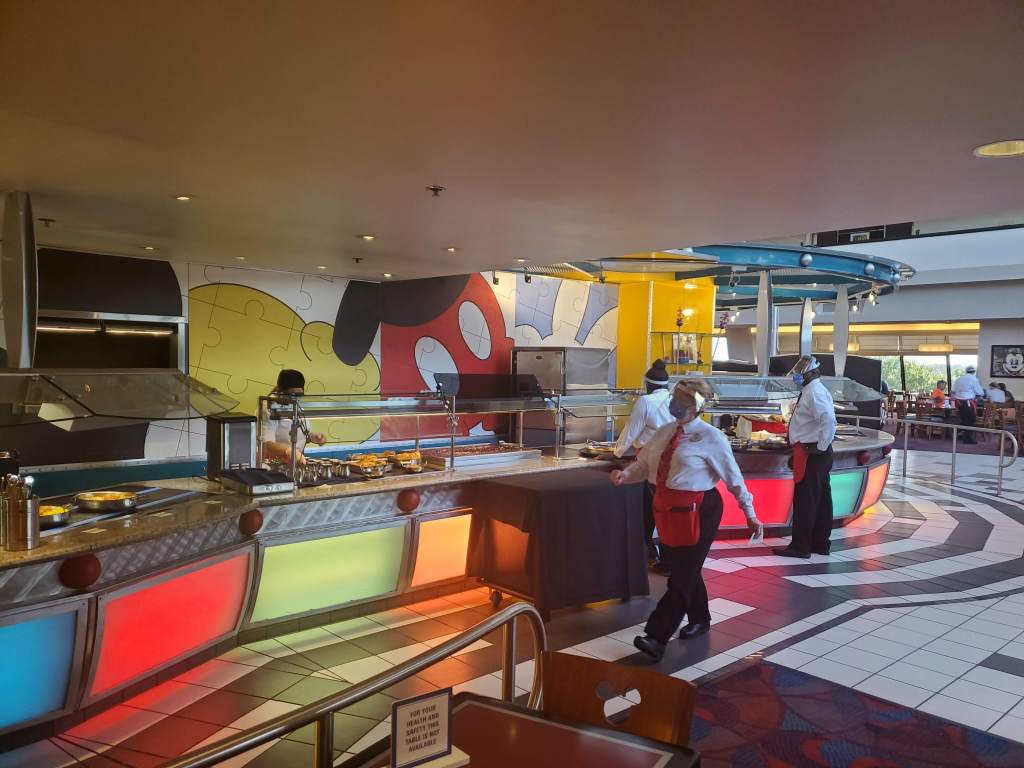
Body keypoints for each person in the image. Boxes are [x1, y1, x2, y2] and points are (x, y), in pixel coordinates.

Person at [610, 380, 762, 662]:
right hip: (668, 508)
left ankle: (656, 637)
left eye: (681, 399)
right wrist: (626, 475)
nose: (674, 403)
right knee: (685, 569)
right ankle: (701, 618)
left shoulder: (711, 437)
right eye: (674, 397)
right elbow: (645, 464)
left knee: (680, 577)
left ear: (696, 406)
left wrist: (749, 513)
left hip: (700, 509)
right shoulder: (666, 431)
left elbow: (733, 478)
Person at [773, 355, 837, 559]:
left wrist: (821, 445)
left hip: (812, 452)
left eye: (801, 374)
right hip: (813, 451)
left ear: (813, 373)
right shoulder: (811, 390)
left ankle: (800, 547)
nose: (798, 377)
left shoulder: (814, 392)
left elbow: (828, 420)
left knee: (806, 501)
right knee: (820, 499)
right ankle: (820, 543)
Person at [613, 359, 674, 569]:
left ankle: (651, 555)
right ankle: (665, 558)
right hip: (672, 461)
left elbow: (631, 431)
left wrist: (616, 453)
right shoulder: (674, 399)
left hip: (650, 462)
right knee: (665, 511)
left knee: (649, 512)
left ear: (647, 385)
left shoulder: (646, 401)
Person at [260, 369, 326, 465]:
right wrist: (289, 451)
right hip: (273, 463)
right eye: (292, 395)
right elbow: (266, 444)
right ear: (280, 390)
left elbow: (298, 432)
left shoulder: (298, 403)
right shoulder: (269, 408)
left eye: (299, 395)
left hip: (296, 462)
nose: (295, 399)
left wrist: (312, 437)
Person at [951, 365, 984, 444]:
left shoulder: (959, 379)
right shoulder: (974, 379)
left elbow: (952, 391)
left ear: (966, 371)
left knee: (963, 419)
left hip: (958, 402)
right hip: (968, 402)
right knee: (971, 420)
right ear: (974, 372)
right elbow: (980, 392)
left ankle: (960, 432)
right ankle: (967, 438)